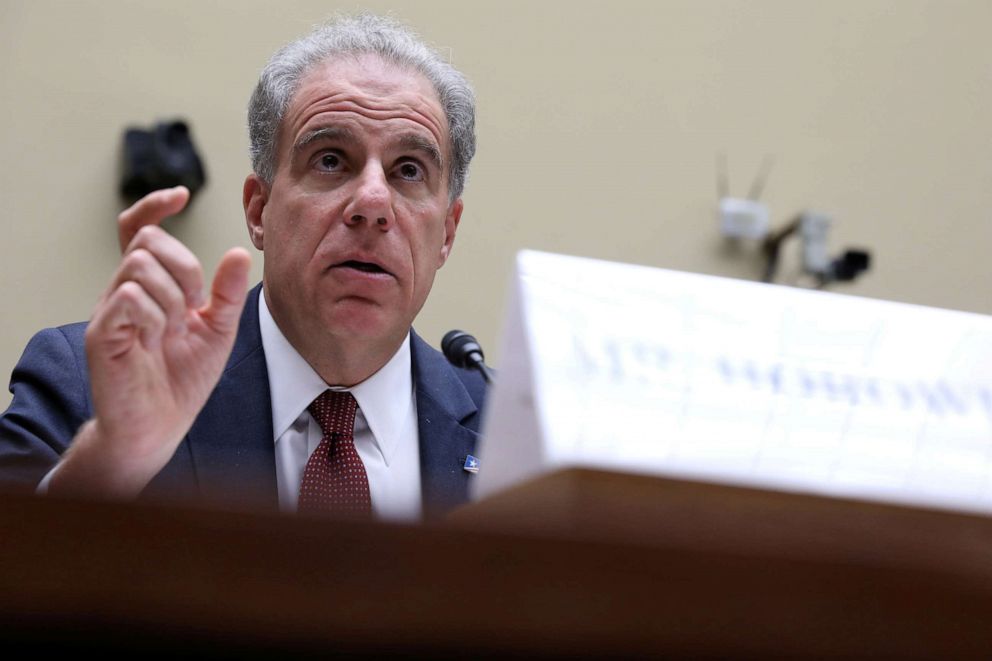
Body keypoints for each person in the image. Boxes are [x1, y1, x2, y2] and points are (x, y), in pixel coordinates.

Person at [0, 14, 486, 521]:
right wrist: (111, 460)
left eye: (409, 170)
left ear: (446, 234)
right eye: (330, 160)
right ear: (259, 211)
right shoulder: (88, 385)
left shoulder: (517, 436)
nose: (371, 201)